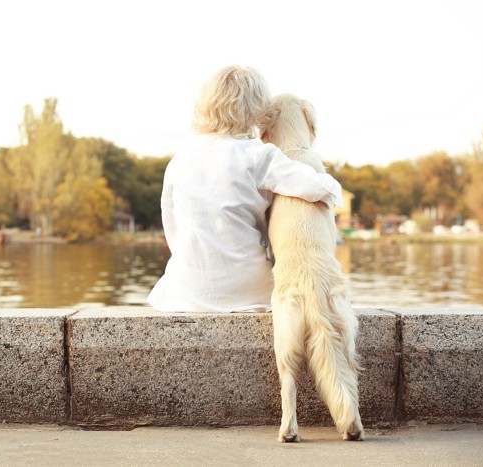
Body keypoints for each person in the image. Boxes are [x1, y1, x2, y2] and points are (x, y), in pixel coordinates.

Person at [147, 65, 343, 312]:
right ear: (258, 109)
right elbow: (316, 187)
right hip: (249, 292)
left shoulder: (179, 160)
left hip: (185, 290)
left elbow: (172, 226)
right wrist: (334, 187)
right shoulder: (258, 155)